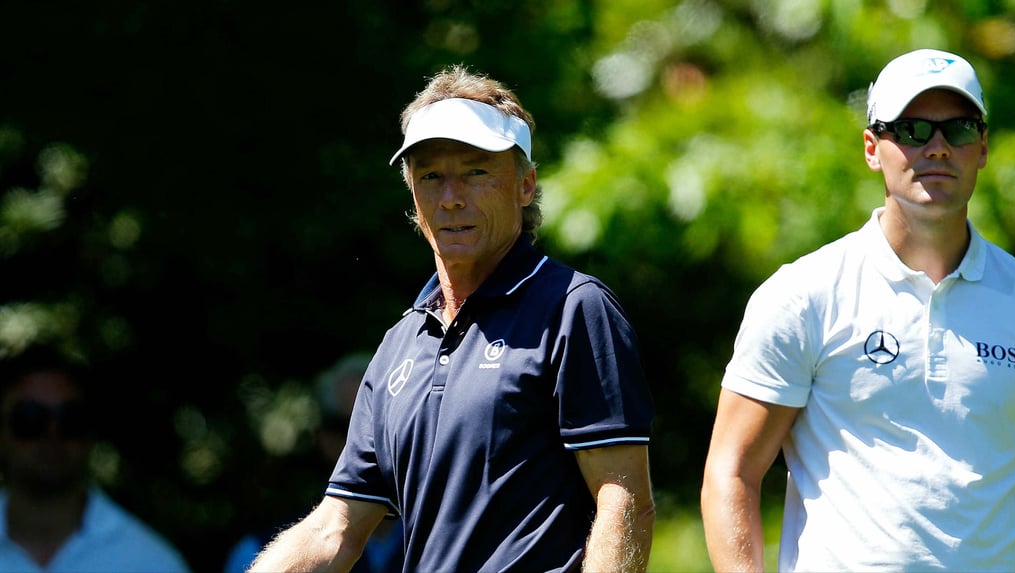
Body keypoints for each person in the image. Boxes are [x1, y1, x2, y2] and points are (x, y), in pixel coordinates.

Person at [700, 48, 1015, 572]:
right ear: (872, 147)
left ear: (982, 147)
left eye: (958, 130)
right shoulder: (803, 295)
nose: (937, 148)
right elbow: (731, 470)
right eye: (912, 130)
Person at [249, 64, 656, 572]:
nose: (451, 197)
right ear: (413, 197)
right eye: (431, 176)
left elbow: (624, 503)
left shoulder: (574, 308)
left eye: (475, 171)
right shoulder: (401, 342)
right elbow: (334, 529)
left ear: (525, 186)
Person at [0, 347, 191, 572]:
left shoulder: (152, 563)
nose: (52, 433)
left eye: (71, 419)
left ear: (91, 433)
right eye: (30, 418)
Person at [223, 352, 404, 573]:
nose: (373, 444)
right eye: (351, 428)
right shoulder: (255, 553)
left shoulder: (447, 537)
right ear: (325, 438)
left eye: (387, 427)